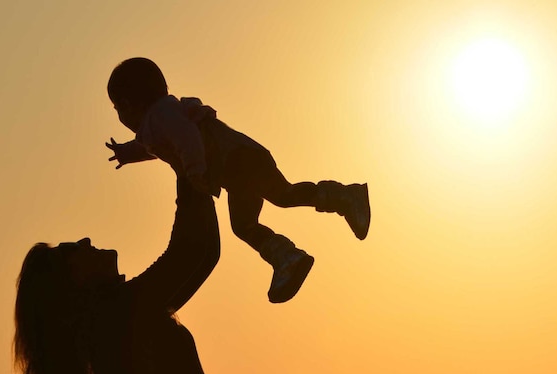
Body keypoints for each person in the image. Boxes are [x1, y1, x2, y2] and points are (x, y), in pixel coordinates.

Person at [14, 170, 259, 374]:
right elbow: (190, 253)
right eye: (71, 250)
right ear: (70, 283)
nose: (85, 241)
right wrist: (184, 161)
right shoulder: (119, 313)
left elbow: (204, 254)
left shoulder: (123, 315)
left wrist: (192, 167)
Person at [105, 57, 370, 303]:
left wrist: (195, 170)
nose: (120, 116)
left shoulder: (161, 115)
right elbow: (153, 146)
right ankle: (293, 251)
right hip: (237, 166)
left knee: (270, 205)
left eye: (118, 108)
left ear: (129, 105)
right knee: (269, 206)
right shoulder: (159, 121)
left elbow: (185, 136)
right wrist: (126, 153)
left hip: (238, 160)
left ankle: (301, 243)